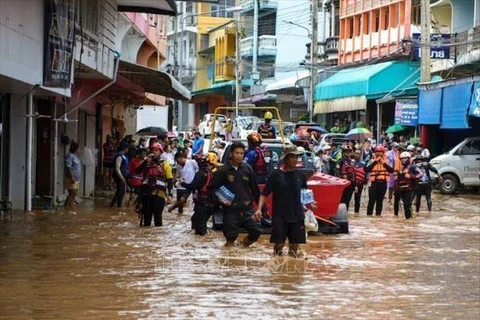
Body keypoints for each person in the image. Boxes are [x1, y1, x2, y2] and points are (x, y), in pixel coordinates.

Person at [256, 145, 308, 257]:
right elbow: (264, 193)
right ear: (285, 158)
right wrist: (259, 209)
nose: (295, 160)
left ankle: (292, 270)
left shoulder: (301, 175)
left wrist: (311, 203)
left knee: (294, 247)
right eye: (292, 157)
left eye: (296, 157)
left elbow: (305, 194)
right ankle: (277, 266)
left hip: (297, 215)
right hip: (280, 216)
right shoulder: (276, 175)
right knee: (279, 245)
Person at [208, 142, 261, 247]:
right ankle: (230, 258)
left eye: (242, 153)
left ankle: (243, 247)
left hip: (246, 208)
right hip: (230, 210)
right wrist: (219, 200)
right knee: (230, 237)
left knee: (256, 231)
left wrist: (261, 209)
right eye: (237, 153)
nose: (239, 156)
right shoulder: (223, 170)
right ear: (231, 153)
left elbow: (255, 189)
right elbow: (212, 189)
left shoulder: (248, 169)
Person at [178, 153, 218, 235]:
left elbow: (192, 186)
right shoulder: (212, 173)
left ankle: (202, 245)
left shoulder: (201, 173)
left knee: (200, 229)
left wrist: (182, 183)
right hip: (210, 204)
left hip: (203, 204)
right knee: (195, 221)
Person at [135, 142, 174, 227]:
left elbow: (170, 180)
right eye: (153, 150)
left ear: (160, 152)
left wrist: (170, 194)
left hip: (159, 194)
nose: (154, 152)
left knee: (157, 218)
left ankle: (156, 236)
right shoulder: (146, 163)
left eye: (156, 150)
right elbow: (137, 171)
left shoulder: (165, 164)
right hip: (146, 193)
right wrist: (146, 161)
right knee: (147, 218)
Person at [365, 145, 394, 216]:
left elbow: (391, 170)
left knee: (379, 201)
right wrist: (375, 162)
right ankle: (369, 216)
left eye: (380, 152)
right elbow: (366, 169)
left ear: (383, 153)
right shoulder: (371, 160)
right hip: (373, 183)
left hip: (383, 183)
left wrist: (382, 163)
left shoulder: (387, 161)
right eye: (377, 152)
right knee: (371, 201)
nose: (378, 153)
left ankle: (378, 216)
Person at [394, 152, 422, 219]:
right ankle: (407, 220)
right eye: (402, 159)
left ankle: (410, 219)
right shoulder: (402, 168)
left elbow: (420, 174)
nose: (403, 160)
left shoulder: (413, 166)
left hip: (410, 189)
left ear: (408, 158)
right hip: (402, 189)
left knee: (407, 204)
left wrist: (411, 176)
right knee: (405, 205)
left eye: (405, 158)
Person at [110, 142, 130, 208]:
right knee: (119, 192)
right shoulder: (119, 156)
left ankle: (119, 206)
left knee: (122, 192)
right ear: (125, 148)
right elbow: (117, 168)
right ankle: (112, 206)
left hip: (123, 175)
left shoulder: (124, 156)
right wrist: (121, 177)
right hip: (119, 176)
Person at [337, 146, 356, 210]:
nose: (348, 153)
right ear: (343, 153)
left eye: (349, 152)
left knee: (347, 201)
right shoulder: (340, 161)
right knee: (341, 200)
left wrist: (355, 185)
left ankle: (345, 213)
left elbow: (354, 174)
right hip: (342, 184)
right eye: (346, 152)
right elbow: (336, 172)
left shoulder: (352, 162)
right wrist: (342, 177)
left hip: (350, 184)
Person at [65, 141, 81, 208]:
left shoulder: (75, 156)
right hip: (71, 178)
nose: (79, 150)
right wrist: (72, 178)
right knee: (72, 193)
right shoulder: (70, 155)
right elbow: (68, 167)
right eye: (78, 148)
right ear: (75, 148)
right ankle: (68, 207)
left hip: (76, 178)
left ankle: (69, 207)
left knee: (73, 194)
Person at [353, 148, 367, 214]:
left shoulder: (363, 163)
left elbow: (366, 174)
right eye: (355, 153)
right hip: (351, 182)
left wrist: (365, 181)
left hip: (359, 183)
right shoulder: (351, 162)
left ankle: (356, 212)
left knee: (357, 199)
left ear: (360, 155)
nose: (356, 155)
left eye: (358, 154)